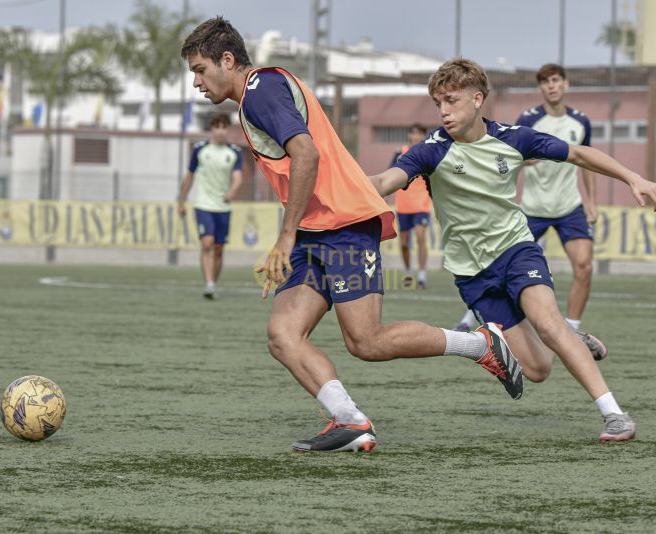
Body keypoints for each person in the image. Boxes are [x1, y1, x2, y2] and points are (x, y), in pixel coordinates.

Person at [181, 18, 524, 453]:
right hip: (314, 229)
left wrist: (285, 238)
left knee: (366, 341)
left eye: (199, 69)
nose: (195, 81)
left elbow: (306, 153)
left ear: (227, 60)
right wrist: (292, 235)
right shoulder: (257, 95)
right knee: (283, 335)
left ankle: (480, 344)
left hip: (343, 224)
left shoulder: (259, 90)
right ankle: (350, 421)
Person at [368, 59, 656, 442]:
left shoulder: (515, 138)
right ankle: (573, 338)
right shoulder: (431, 150)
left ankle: (614, 414)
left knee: (547, 322)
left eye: (452, 100)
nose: (444, 111)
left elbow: (578, 154)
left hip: (515, 250)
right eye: (438, 103)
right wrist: (336, 188)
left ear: (477, 99)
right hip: (471, 273)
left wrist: (634, 177)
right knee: (538, 369)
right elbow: (384, 179)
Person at [454, 64, 603, 359]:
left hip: (569, 206)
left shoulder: (581, 121)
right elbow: (507, 156)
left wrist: (591, 201)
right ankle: (469, 320)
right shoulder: (530, 119)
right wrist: (525, 160)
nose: (552, 86)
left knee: (584, 265)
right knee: (494, 263)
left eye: (556, 80)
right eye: (546, 82)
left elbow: (586, 161)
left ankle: (571, 330)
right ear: (541, 88)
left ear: (566, 84)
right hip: (533, 208)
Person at [178, 113, 243, 299]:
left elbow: (238, 177)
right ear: (212, 128)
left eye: (224, 127)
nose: (221, 131)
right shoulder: (200, 150)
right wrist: (182, 201)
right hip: (203, 204)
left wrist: (233, 191)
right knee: (207, 243)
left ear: (227, 129)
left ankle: (213, 282)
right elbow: (189, 176)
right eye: (217, 127)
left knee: (218, 248)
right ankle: (209, 283)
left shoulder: (234, 152)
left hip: (223, 206)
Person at [392, 123, 432, 289]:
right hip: (403, 205)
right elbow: (391, 174)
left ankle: (422, 276)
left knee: (421, 236)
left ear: (423, 136)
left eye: (418, 134)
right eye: (412, 133)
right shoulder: (399, 153)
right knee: (404, 242)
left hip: (422, 204)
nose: (414, 137)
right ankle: (409, 272)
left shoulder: (428, 153)